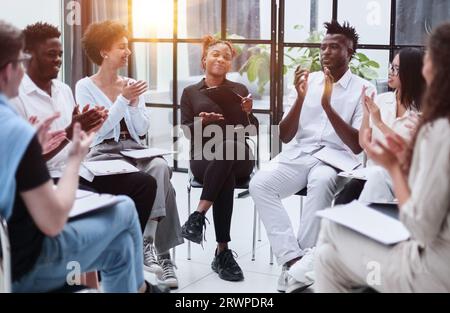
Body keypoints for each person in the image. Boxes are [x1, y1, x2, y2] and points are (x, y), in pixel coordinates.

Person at [0, 20, 162, 293]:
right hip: (27, 265)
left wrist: (73, 134)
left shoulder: (61, 92)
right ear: (9, 70)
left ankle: (132, 286)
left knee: (122, 240)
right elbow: (52, 220)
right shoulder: (14, 125)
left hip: (22, 231)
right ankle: (143, 288)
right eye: (20, 61)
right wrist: (73, 152)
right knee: (122, 209)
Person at [314, 22, 450, 293]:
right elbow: (366, 142)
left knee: (330, 234)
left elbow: (421, 228)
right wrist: (369, 118)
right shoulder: (387, 102)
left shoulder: (438, 128)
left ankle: (308, 268)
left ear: (433, 68)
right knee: (328, 253)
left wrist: (396, 168)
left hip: (433, 269)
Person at [249, 20, 376, 293]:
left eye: (334, 47)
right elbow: (284, 135)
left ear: (350, 51)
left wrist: (327, 105)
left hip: (336, 159)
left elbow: (356, 146)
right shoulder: (309, 81)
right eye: (323, 47)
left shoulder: (364, 89)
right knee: (259, 184)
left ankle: (300, 267)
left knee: (320, 182)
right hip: (300, 154)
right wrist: (298, 96)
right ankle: (294, 261)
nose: (326, 52)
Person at [75, 20, 182, 288]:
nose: (128, 52)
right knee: (166, 187)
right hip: (102, 152)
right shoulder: (84, 86)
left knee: (159, 167)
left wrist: (133, 103)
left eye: (128, 47)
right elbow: (97, 133)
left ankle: (147, 241)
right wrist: (123, 100)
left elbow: (141, 129)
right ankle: (164, 256)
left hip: (134, 148)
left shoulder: (132, 84)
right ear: (104, 52)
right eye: (121, 47)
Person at [180, 35, 258, 282]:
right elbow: (184, 130)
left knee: (229, 147)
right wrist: (201, 121)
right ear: (204, 60)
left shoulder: (240, 90)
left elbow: (251, 131)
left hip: (241, 154)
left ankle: (198, 215)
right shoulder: (190, 92)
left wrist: (247, 114)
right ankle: (222, 252)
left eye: (226, 57)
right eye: (215, 54)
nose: (221, 59)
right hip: (204, 156)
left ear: (230, 65)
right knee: (224, 171)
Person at [335, 48, 425, 205]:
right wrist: (366, 115)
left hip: (402, 179)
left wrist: (379, 123)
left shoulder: (424, 112)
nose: (390, 72)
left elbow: (410, 154)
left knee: (369, 197)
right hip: (371, 174)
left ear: (410, 73)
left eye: (396, 69)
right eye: (391, 66)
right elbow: (364, 144)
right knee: (344, 198)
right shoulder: (382, 100)